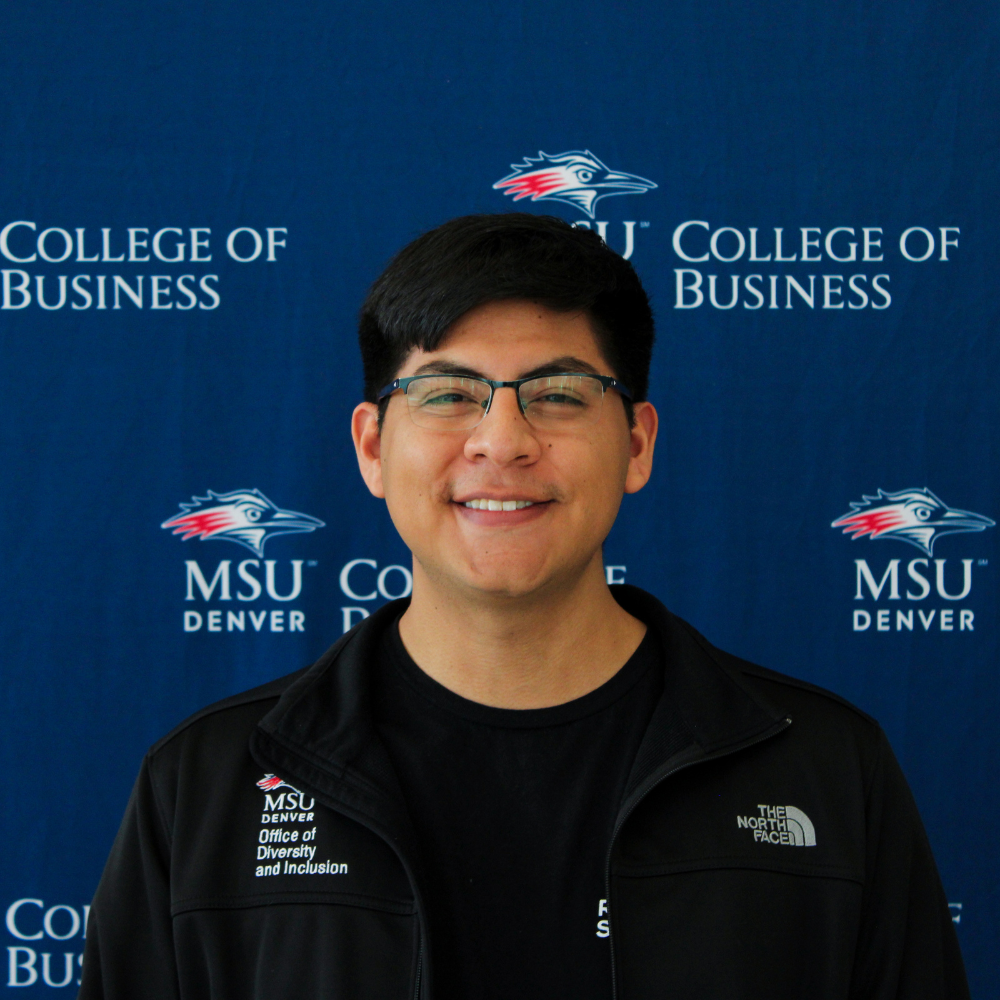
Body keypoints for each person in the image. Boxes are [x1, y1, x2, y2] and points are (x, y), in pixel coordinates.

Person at [80, 213, 968, 999]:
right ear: (372, 447)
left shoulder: (824, 768)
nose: (502, 441)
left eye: (556, 395)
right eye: (449, 395)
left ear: (636, 443)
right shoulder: (203, 787)